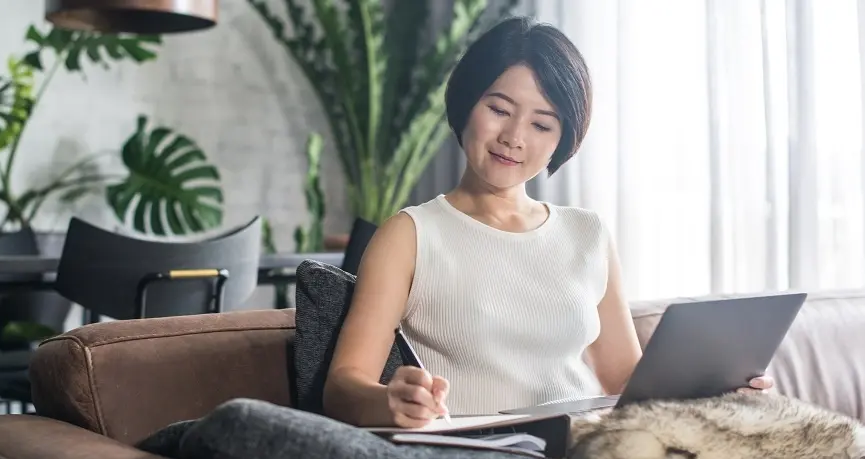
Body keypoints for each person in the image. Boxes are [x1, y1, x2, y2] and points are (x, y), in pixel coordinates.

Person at [322, 16, 775, 429]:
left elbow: (627, 382)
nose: (513, 138)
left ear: (563, 140)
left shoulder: (587, 233)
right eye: (499, 109)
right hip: (477, 452)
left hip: (591, 447)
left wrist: (716, 392)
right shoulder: (411, 234)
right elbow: (343, 387)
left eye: (542, 125)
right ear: (466, 103)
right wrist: (392, 402)